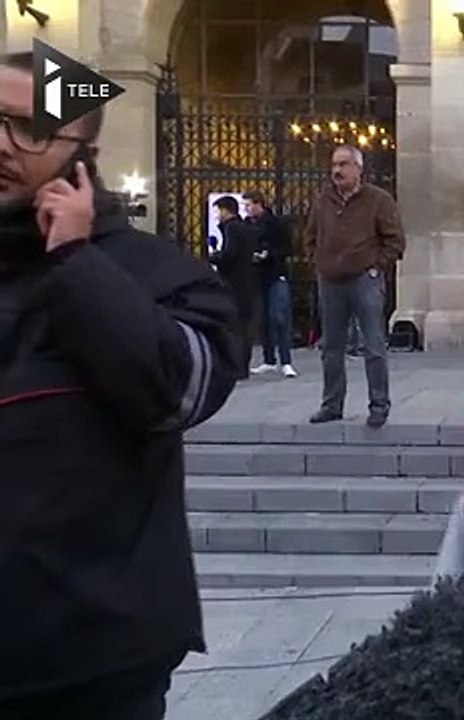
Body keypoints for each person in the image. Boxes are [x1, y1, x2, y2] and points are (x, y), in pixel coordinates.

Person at [0, 51, 238, 718]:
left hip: (89, 666)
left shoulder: (157, 274)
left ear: (86, 156)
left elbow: (178, 390)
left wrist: (76, 263)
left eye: (30, 128)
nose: (3, 144)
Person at [305, 145, 405, 428]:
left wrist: (377, 267)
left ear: (358, 169)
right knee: (331, 347)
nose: (337, 170)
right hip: (330, 281)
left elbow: (395, 240)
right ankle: (331, 404)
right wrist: (319, 262)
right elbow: (310, 236)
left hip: (364, 279)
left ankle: (379, 405)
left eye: (344, 164)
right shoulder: (323, 201)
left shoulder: (378, 200)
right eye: (334, 165)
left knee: (373, 345)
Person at [244, 190, 298, 378]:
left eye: (249, 205)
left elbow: (287, 248)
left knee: (279, 317)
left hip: (276, 273)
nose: (247, 209)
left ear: (259, 204)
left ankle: (286, 361)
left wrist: (269, 253)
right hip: (257, 275)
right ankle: (269, 360)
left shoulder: (276, 224)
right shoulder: (247, 225)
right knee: (264, 319)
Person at [209, 194, 257, 379]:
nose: (217, 215)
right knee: (244, 326)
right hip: (247, 281)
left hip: (233, 283)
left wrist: (214, 257)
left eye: (218, 211)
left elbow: (230, 254)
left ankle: (235, 365)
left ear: (225, 210)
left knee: (233, 326)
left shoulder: (232, 228)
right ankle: (243, 365)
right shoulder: (246, 228)